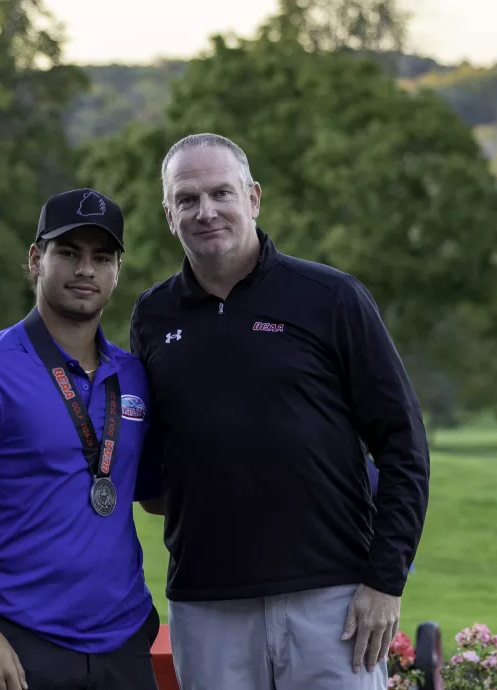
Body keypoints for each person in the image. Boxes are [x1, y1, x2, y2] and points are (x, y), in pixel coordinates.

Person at [129, 133, 431, 690]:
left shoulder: (330, 297)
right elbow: (154, 460)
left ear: (254, 198)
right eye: (188, 199)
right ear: (169, 214)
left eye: (222, 193)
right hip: (206, 603)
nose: (207, 211)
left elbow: (404, 445)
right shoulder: (152, 315)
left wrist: (385, 583)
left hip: (333, 600)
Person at [0, 188, 162, 690]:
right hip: (17, 643)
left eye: (101, 257)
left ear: (117, 270)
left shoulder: (133, 376)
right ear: (35, 259)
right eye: (68, 252)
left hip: (124, 642)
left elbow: (157, 498)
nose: (85, 269)